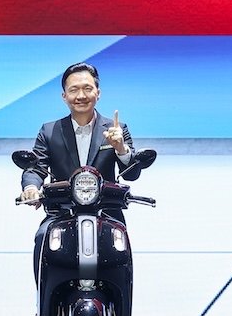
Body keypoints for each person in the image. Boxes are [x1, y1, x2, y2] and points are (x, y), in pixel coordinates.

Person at [20, 62, 144, 276]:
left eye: (87, 88)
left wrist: (121, 149)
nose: (81, 96)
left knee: (121, 250)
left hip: (107, 212)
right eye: (74, 90)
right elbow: (36, 168)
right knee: (42, 238)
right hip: (61, 212)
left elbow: (132, 173)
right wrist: (31, 187)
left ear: (98, 93)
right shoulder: (49, 131)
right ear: (64, 96)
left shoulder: (117, 129)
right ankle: (43, 296)